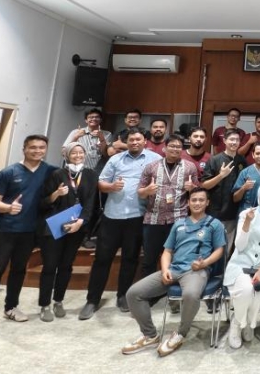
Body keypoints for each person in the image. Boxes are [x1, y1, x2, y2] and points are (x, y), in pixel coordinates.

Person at [122, 187, 226, 357]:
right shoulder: (179, 224)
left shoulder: (214, 224)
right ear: (188, 203)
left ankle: (181, 333)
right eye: (194, 200)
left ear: (207, 202)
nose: (197, 203)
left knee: (190, 294)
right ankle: (150, 335)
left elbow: (219, 250)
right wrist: (165, 270)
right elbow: (167, 252)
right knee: (133, 293)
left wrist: (205, 263)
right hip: (174, 269)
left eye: (201, 200)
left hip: (196, 271)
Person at [79, 128, 161, 320]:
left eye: (138, 139)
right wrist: (111, 187)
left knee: (130, 259)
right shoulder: (116, 159)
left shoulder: (155, 159)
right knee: (102, 259)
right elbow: (101, 183)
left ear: (145, 141)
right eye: (131, 140)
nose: (135, 142)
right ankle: (92, 300)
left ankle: (123, 295)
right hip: (112, 217)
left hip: (137, 216)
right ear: (126, 142)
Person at [0, 134, 56, 331]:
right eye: (33, 147)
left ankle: (11, 307)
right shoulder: (8, 172)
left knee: (19, 270)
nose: (37, 151)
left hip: (30, 232)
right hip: (6, 230)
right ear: (24, 149)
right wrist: (8, 208)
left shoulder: (50, 171)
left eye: (41, 147)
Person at [37, 142, 98, 321]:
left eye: (81, 152)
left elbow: (90, 202)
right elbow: (43, 202)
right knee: (50, 266)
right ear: (67, 156)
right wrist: (56, 194)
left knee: (66, 265)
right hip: (55, 226)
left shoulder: (90, 174)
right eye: (73, 153)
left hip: (77, 227)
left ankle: (58, 300)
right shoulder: (57, 174)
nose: (78, 155)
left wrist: (80, 222)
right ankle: (44, 305)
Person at [223, 183, 260, 349]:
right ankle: (237, 323)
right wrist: (247, 223)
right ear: (258, 197)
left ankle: (249, 322)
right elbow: (239, 245)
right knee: (246, 290)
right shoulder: (246, 214)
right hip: (240, 264)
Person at [138, 135, 200, 278]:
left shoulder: (190, 167)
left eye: (178, 147)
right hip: (153, 219)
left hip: (179, 220)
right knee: (149, 260)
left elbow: (198, 193)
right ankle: (149, 290)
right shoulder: (151, 166)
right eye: (172, 146)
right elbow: (140, 193)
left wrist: (192, 188)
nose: (175, 149)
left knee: (177, 259)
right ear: (165, 148)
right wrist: (147, 191)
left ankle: (171, 289)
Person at [202, 130, 246, 247]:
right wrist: (221, 176)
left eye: (237, 140)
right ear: (224, 141)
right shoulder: (214, 160)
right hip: (215, 211)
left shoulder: (242, 161)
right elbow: (205, 185)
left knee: (227, 246)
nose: (234, 142)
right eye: (231, 139)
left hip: (233, 212)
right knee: (211, 245)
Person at [232, 142, 260, 212]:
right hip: (247, 212)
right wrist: (243, 188)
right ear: (253, 155)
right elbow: (235, 198)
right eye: (257, 153)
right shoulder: (245, 173)